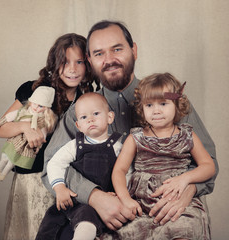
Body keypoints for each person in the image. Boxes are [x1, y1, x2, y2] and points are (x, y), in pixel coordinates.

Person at [42, 20, 218, 238]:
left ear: (133, 50)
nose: (109, 60)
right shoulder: (82, 111)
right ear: (90, 60)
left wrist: (187, 190)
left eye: (117, 49)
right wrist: (96, 197)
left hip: (168, 210)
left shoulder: (169, 99)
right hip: (104, 216)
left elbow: (209, 161)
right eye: (99, 53)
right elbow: (51, 164)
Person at [0, 33, 94, 240]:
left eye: (79, 62)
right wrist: (24, 127)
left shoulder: (86, 98)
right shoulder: (35, 90)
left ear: (88, 66)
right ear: (54, 63)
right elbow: (0, 129)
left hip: (64, 182)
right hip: (30, 181)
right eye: (65, 62)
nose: (72, 69)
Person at [100, 72, 215, 239]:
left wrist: (185, 179)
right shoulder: (136, 137)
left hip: (178, 201)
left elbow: (208, 166)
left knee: (186, 229)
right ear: (142, 108)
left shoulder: (187, 135)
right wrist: (125, 198)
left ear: (177, 104)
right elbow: (119, 170)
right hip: (142, 204)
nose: (156, 111)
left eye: (163, 103)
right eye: (149, 105)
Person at [36, 92, 123, 240]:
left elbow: (125, 172)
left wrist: (119, 195)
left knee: (87, 221)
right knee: (49, 224)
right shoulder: (75, 145)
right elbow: (55, 163)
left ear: (110, 117)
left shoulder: (117, 146)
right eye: (84, 117)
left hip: (101, 202)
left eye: (96, 113)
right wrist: (59, 187)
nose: (90, 120)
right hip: (73, 199)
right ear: (78, 125)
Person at [0, 86, 57, 181]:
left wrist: (38, 146)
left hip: (26, 145)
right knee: (5, 156)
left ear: (46, 108)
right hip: (17, 139)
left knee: (12, 161)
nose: (36, 108)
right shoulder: (23, 111)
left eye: (41, 106)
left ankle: (3, 174)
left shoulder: (43, 120)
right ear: (30, 102)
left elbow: (42, 135)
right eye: (35, 104)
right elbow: (10, 116)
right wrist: (1, 122)